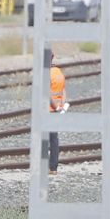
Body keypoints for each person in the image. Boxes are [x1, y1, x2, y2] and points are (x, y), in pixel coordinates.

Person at [46, 47, 67, 175]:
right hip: (56, 110)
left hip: (47, 110)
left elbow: (47, 94)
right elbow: (63, 91)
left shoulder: (46, 74)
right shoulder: (59, 73)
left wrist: (54, 106)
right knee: (54, 140)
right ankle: (53, 167)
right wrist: (61, 106)